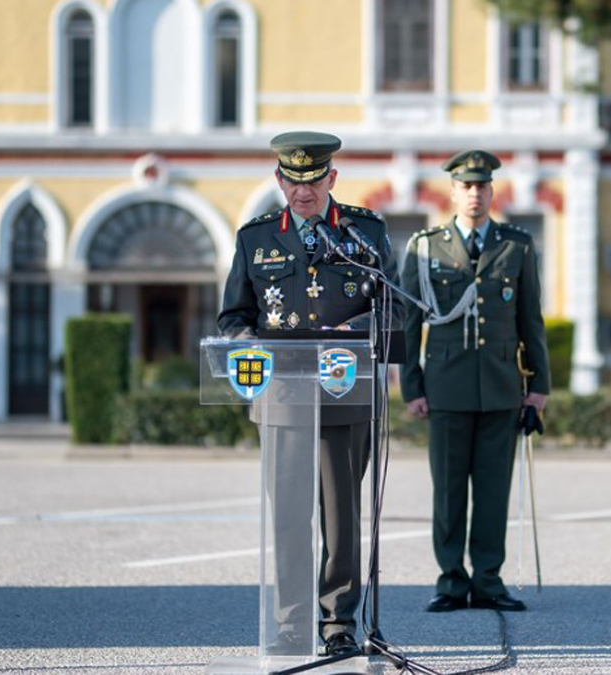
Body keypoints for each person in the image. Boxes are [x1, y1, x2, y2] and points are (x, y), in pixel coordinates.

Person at [218, 131, 400, 656]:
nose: (304, 192)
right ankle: (292, 624)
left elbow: (394, 308)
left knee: (341, 518)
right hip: (282, 396)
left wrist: (355, 332)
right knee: (289, 517)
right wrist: (247, 343)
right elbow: (233, 316)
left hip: (345, 391)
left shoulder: (365, 233)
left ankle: (339, 623)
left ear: (331, 178)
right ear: (279, 181)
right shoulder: (255, 238)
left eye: (314, 181)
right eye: (294, 182)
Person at [400, 149, 550, 613]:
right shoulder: (425, 247)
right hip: (445, 387)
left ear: (492, 191)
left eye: (482, 186)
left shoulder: (516, 245)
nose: (474, 194)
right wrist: (412, 386)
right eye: (466, 186)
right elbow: (409, 324)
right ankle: (451, 582)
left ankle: (488, 580)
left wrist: (539, 387)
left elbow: (531, 319)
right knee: (448, 491)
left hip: (502, 387)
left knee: (492, 491)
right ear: (452, 191)